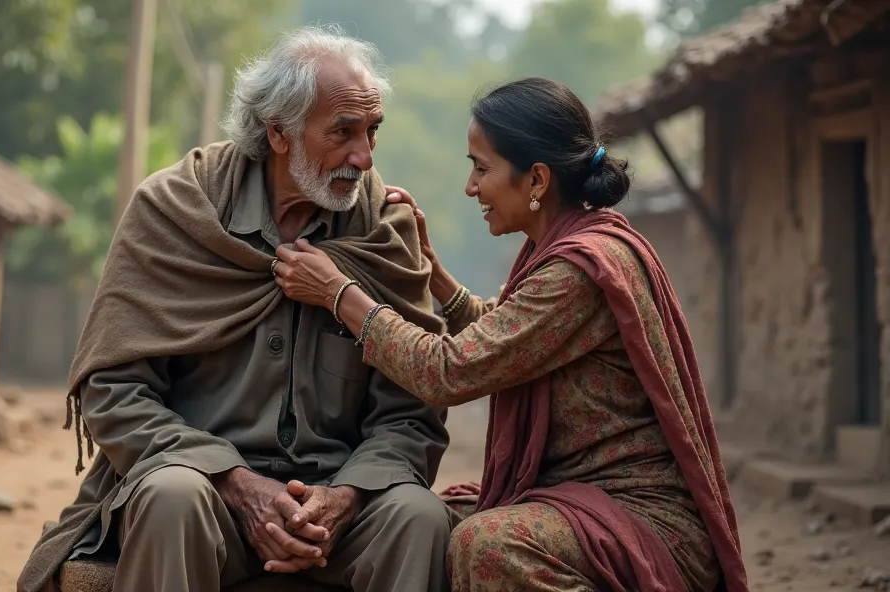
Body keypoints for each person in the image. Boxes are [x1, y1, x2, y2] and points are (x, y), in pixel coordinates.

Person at [16, 25, 456, 592]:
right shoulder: (175, 210)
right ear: (279, 132)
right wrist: (233, 481)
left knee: (417, 518)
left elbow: (411, 412)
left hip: (339, 508)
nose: (364, 157)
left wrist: (344, 497)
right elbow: (115, 391)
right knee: (171, 497)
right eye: (343, 133)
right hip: (203, 489)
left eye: (372, 131)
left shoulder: (382, 229)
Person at [274, 77, 749, 592]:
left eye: (482, 168)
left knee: (489, 545)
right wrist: (431, 270)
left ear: (537, 180)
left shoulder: (579, 271)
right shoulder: (564, 245)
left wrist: (338, 294)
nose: (471, 186)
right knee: (422, 523)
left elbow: (447, 371)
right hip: (585, 505)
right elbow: (506, 338)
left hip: (641, 519)